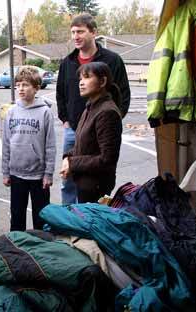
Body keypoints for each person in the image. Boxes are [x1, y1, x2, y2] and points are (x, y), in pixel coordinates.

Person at [56, 13, 130, 205]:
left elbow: (123, 92)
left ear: (93, 32)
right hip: (74, 128)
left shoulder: (112, 60)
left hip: (101, 128)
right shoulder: (67, 62)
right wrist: (65, 119)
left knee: (90, 187)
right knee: (68, 183)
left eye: (80, 31)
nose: (76, 36)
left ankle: (80, 220)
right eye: (73, 32)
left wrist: (111, 122)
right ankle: (69, 219)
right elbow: (60, 93)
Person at [59, 62, 123, 203]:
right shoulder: (90, 107)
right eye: (80, 79)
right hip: (84, 183)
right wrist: (67, 157)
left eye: (87, 77)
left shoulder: (107, 112)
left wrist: (72, 162)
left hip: (96, 187)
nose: (81, 83)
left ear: (102, 81)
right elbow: (83, 145)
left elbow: (107, 159)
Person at [2, 66, 56, 231]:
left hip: (38, 176)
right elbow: (6, 143)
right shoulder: (12, 112)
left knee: (41, 219)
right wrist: (5, 172)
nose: (21, 89)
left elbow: (50, 146)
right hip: (17, 174)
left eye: (25, 85)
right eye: (18, 85)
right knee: (17, 217)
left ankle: (40, 250)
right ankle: (16, 249)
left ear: (36, 87)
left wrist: (48, 173)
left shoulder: (45, 112)